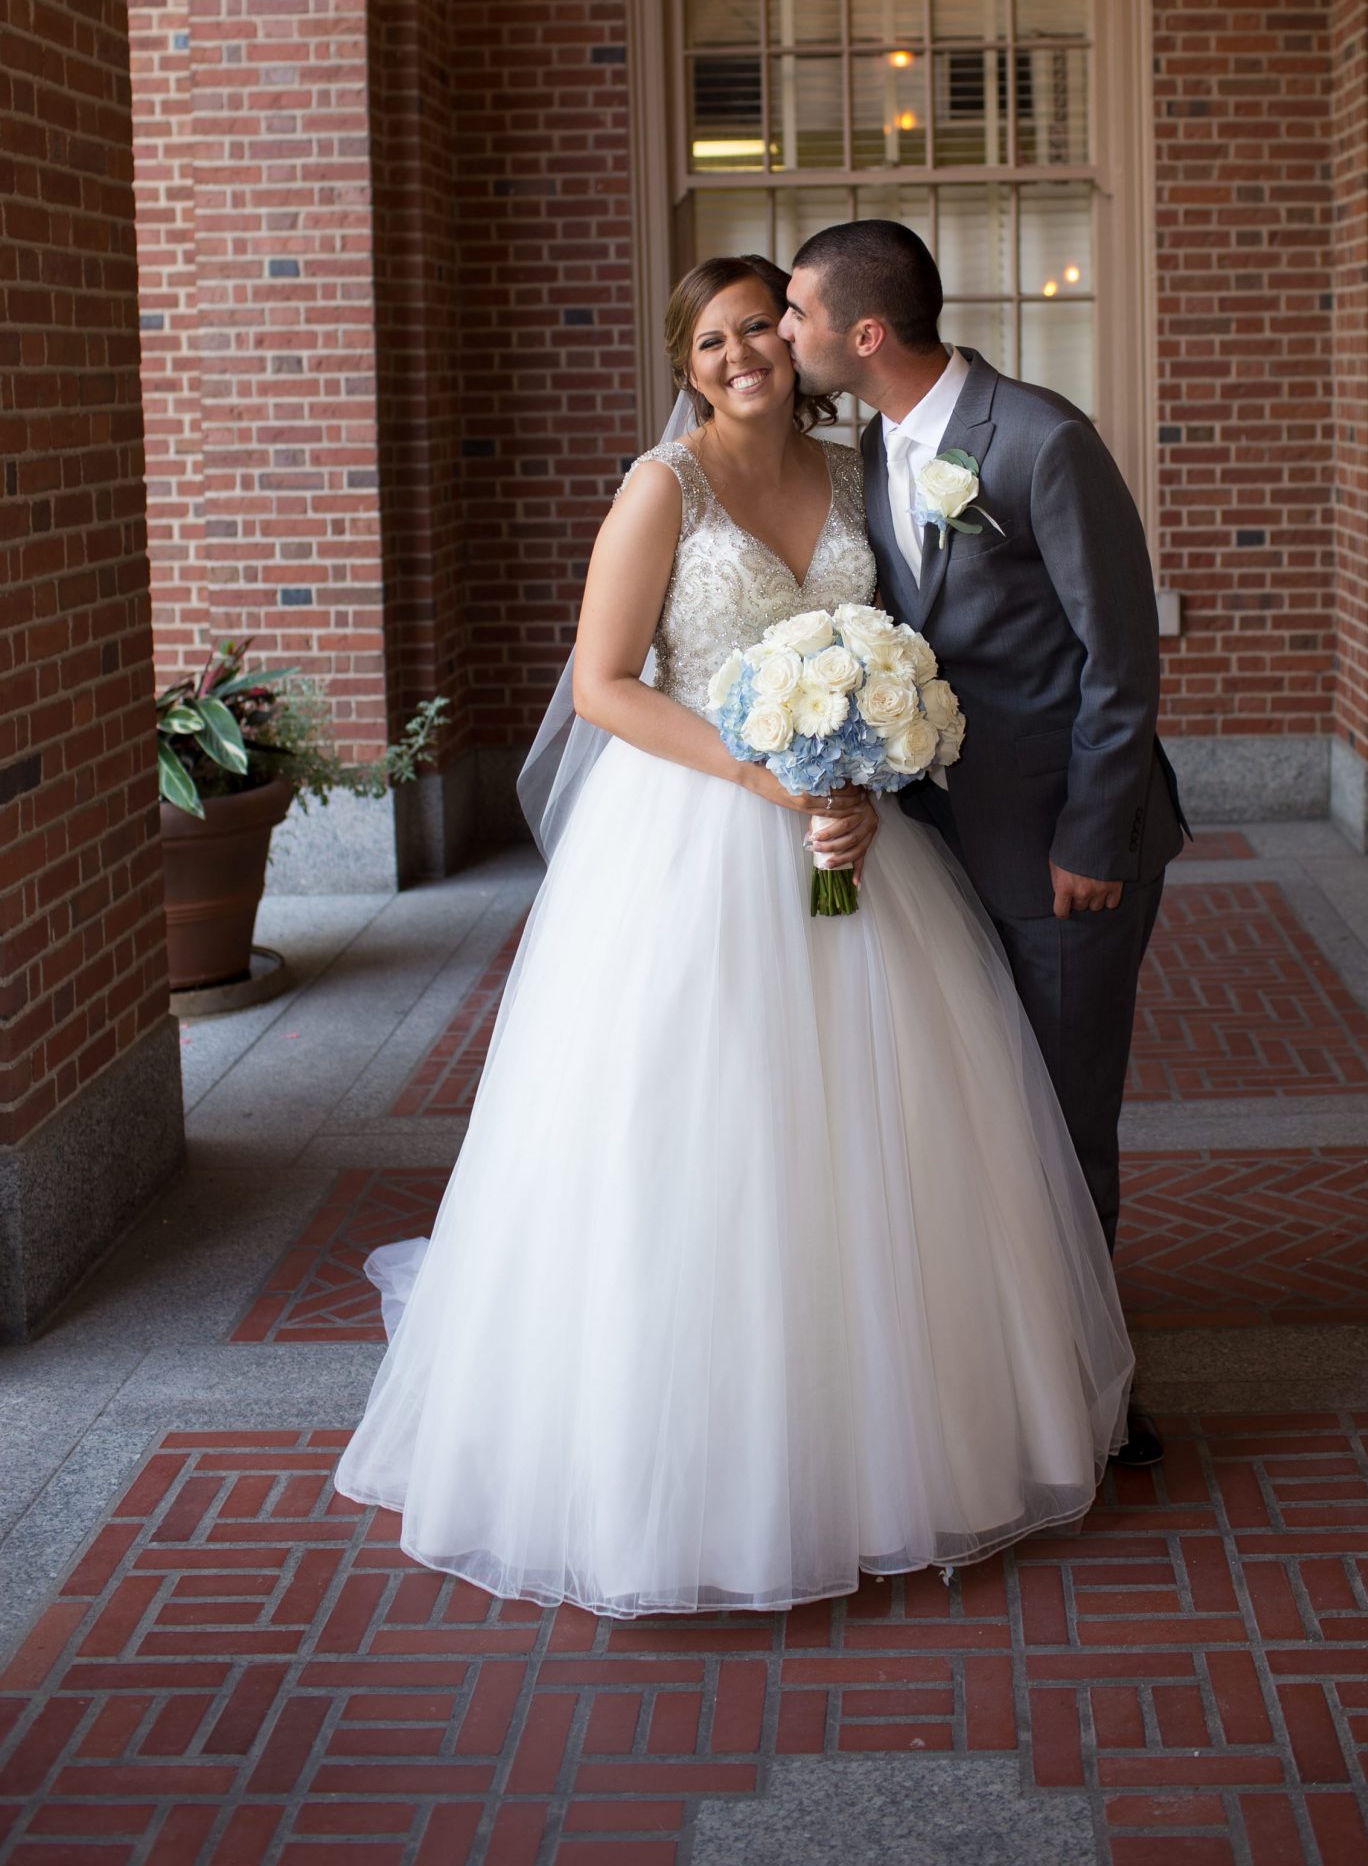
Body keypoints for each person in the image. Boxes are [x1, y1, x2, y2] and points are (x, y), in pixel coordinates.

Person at [333, 253, 1134, 1617]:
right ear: (682, 363)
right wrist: (769, 780)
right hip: (690, 836)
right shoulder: (663, 490)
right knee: (697, 1121)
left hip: (848, 838)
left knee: (874, 1131)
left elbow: (893, 642)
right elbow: (600, 686)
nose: (741, 355)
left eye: (761, 327)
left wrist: (862, 780)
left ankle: (889, 1434)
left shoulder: (863, 472)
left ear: (803, 336)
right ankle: (683, 1459)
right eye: (709, 342)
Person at [782, 221, 1187, 1469]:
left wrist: (1091, 835)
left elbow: (1122, 662)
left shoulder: (1041, 440)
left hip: (1065, 850)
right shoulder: (868, 446)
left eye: (795, 314)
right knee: (985, 1120)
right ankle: (1009, 1371)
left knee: (1066, 1127)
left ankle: (1094, 1399)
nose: (782, 335)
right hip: (942, 850)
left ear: (865, 334)